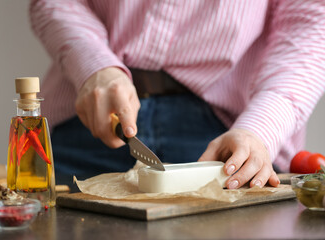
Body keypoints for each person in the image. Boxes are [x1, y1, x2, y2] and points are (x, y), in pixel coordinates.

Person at [29, 0, 325, 192]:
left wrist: (259, 129)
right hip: (92, 117)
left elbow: (311, 24)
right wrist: (94, 67)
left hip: (224, 138)